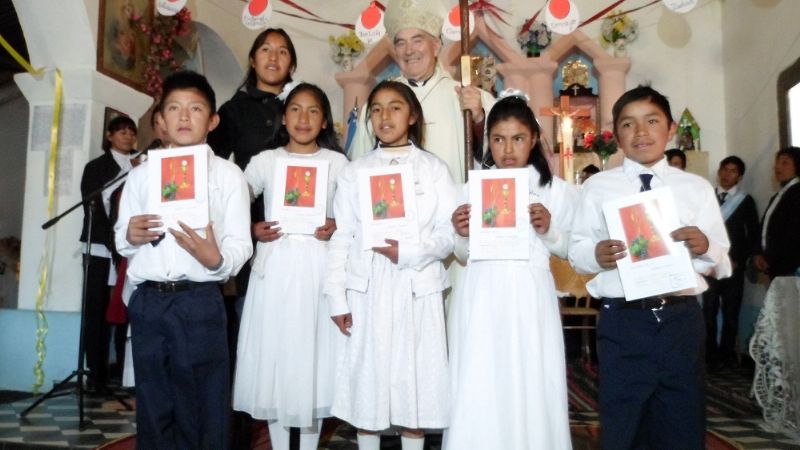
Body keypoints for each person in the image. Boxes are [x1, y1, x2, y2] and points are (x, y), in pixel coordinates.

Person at [568, 85, 731, 450]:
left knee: (682, 417)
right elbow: (576, 250)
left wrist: (705, 247)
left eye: (652, 121)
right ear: (617, 134)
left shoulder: (695, 188)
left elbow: (721, 261)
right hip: (623, 320)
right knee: (623, 417)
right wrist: (596, 254)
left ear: (670, 128)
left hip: (680, 320)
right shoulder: (598, 187)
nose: (641, 133)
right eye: (628, 124)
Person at [114, 71, 253, 449]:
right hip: (148, 302)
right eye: (174, 108)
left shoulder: (227, 175)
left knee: (204, 405)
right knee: (154, 404)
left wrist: (216, 260)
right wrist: (128, 235)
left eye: (195, 108)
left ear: (212, 120)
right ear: (161, 119)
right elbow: (121, 236)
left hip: (199, 301)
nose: (184, 116)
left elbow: (242, 243)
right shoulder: (140, 176)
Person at [324, 81, 457, 450]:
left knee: (414, 390)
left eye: (395, 107)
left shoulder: (433, 169)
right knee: (370, 387)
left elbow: (449, 233)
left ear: (412, 115)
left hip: (416, 285)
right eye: (377, 109)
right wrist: (337, 296)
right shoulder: (355, 171)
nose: (385, 116)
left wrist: (412, 251)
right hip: (368, 287)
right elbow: (343, 235)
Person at [443, 94, 575, 450]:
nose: (508, 149)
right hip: (482, 292)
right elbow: (460, 253)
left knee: (529, 375)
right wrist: (460, 231)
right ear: (488, 141)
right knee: (481, 375)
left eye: (517, 138)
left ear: (533, 138)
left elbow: (569, 250)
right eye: (498, 139)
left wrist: (549, 229)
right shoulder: (470, 189)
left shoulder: (554, 191)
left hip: (528, 294)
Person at [232, 83, 348, 450]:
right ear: (284, 117)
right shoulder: (265, 162)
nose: (303, 118)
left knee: (313, 363)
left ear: (325, 119)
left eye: (313, 111)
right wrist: (250, 228)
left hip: (318, 271)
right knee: (277, 361)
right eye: (295, 109)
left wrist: (338, 225)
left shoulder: (338, 164)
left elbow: (356, 214)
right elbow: (230, 204)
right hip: (275, 272)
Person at [206, 29, 297, 447]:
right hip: (250, 246)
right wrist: (241, 228)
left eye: (282, 51)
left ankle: (296, 429)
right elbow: (211, 170)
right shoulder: (233, 110)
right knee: (247, 343)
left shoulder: (303, 105)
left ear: (292, 62)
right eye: (266, 49)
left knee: (294, 341)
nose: (274, 57)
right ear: (253, 58)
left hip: (300, 247)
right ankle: (239, 436)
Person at [348, 0, 494, 183]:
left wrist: (479, 119)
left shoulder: (466, 96)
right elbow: (360, 164)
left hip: (453, 206)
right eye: (401, 43)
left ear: (436, 46)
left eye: (417, 41)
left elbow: (501, 155)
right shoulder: (379, 103)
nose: (409, 50)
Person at [80, 115, 138, 391]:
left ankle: (123, 371)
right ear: (109, 136)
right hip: (102, 246)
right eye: (122, 132)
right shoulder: (97, 167)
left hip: (129, 247)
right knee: (96, 310)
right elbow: (95, 203)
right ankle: (96, 372)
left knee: (124, 307)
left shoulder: (140, 163)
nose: (127, 137)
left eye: (131, 132)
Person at [703, 156, 760, 371]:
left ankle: (726, 356)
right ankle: (709, 356)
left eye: (733, 171)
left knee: (730, 313)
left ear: (740, 176)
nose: (727, 175)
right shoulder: (707, 197)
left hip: (734, 268)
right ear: (719, 171)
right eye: (724, 170)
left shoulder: (745, 201)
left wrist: (739, 260)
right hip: (709, 265)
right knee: (708, 311)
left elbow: (753, 235)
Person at [753, 147, 800, 279]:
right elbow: (765, 228)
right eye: (777, 162)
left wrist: (769, 257)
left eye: (784, 163)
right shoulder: (778, 196)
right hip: (775, 265)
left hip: (790, 267)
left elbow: (792, 234)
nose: (777, 167)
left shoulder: (797, 194)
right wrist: (758, 253)